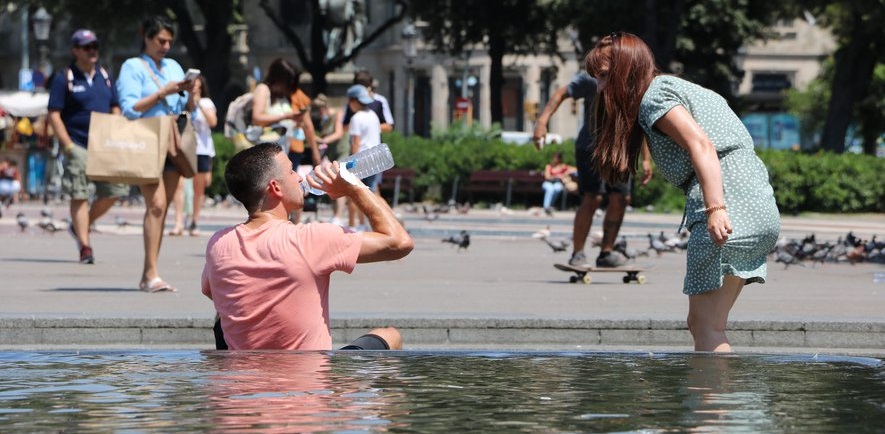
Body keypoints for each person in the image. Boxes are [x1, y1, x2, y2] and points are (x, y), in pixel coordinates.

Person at [584, 32, 780, 352]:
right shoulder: (680, 88)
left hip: (728, 206)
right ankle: (732, 401)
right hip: (759, 204)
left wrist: (716, 207)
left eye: (605, 76)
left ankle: (713, 401)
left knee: (706, 328)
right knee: (706, 324)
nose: (600, 88)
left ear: (625, 70)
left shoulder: (654, 96)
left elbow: (700, 144)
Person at [201, 143, 413, 350]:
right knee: (390, 336)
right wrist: (354, 188)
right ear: (275, 187)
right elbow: (399, 242)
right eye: (292, 171)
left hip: (242, 381)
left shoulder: (218, 244)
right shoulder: (310, 239)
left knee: (222, 318)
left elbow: (210, 290)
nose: (300, 177)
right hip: (309, 383)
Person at [533, 72, 652, 268]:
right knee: (592, 197)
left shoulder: (633, 80)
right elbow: (561, 93)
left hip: (620, 150)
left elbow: (641, 121)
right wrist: (542, 121)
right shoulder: (592, 79)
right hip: (591, 147)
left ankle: (606, 252)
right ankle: (578, 253)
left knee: (621, 199)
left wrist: (646, 159)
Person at [116, 15, 196, 293]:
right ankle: (150, 273)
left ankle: (151, 271)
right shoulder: (132, 66)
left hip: (172, 142)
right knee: (158, 204)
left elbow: (188, 107)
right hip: (146, 139)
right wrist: (164, 92)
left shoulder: (174, 66)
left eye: (169, 41)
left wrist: (191, 91)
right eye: (161, 40)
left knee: (160, 210)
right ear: (147, 38)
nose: (165, 46)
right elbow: (130, 108)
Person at [47, 29, 129, 264]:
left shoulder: (105, 75)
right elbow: (54, 115)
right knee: (79, 194)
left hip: (104, 144)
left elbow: (115, 106)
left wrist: (114, 128)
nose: (92, 51)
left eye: (95, 46)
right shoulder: (65, 78)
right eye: (87, 47)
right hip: (78, 144)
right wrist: (68, 146)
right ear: (75, 51)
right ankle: (85, 246)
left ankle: (80, 225)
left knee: (116, 191)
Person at [251, 58, 320, 224]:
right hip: (266, 155)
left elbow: (307, 125)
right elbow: (257, 117)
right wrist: (286, 116)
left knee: (291, 189)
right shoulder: (263, 90)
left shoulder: (286, 96)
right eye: (287, 82)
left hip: (285, 152)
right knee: (268, 192)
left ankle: (291, 227)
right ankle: (267, 225)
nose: (289, 87)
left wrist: (292, 121)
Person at [170, 74, 217, 236]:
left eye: (197, 85)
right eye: (192, 85)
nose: (195, 88)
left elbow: (213, 122)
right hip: (185, 148)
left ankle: (194, 221)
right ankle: (178, 222)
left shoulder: (207, 103)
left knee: (199, 188)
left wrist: (199, 104)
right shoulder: (182, 101)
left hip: (202, 149)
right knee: (179, 185)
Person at [344, 84, 382, 231]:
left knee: (356, 193)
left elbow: (356, 143)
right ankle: (375, 224)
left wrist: (350, 165)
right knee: (371, 192)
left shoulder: (356, 118)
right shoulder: (373, 115)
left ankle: (359, 224)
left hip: (361, 159)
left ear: (354, 101)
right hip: (376, 158)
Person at [311, 93, 348, 226]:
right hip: (332, 155)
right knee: (333, 185)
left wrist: (322, 140)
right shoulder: (325, 121)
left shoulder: (339, 114)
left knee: (340, 182)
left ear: (323, 109)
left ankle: (339, 216)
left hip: (343, 152)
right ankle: (335, 215)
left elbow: (338, 133)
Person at [541, 151, 576, 216]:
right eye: (554, 158)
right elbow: (547, 177)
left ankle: (550, 206)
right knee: (550, 189)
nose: (555, 159)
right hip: (548, 183)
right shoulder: (549, 166)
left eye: (557, 158)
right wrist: (557, 176)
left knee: (557, 188)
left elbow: (575, 169)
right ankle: (546, 207)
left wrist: (566, 172)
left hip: (557, 183)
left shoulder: (563, 166)